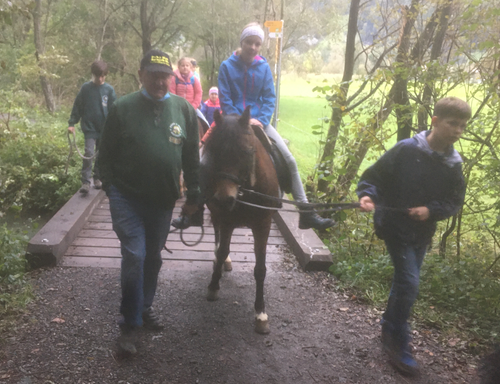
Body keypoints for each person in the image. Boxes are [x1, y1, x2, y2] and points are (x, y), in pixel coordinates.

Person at [172, 22, 335, 231]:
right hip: (231, 123)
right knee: (203, 160)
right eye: (250, 42)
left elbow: (269, 97)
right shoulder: (227, 66)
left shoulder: (264, 68)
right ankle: (194, 211)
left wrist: (261, 119)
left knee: (290, 160)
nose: (253, 47)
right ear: (242, 43)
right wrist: (239, 119)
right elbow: (225, 97)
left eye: (258, 43)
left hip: (259, 122)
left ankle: (306, 212)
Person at [357, 97, 470, 376]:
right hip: (394, 226)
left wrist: (430, 211)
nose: (457, 130)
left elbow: (455, 201)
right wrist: (368, 195)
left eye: (462, 126)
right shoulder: (407, 150)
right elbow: (374, 176)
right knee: (409, 283)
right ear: (434, 120)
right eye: (452, 123)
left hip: (422, 232)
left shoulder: (453, 164)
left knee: (404, 283)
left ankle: (387, 325)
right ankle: (399, 341)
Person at [98, 49, 200, 355]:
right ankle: (129, 326)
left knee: (153, 257)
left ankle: (143, 308)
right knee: (135, 255)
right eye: (153, 75)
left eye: (164, 75)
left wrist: (195, 194)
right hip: (126, 197)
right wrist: (110, 187)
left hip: (163, 200)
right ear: (141, 75)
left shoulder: (183, 110)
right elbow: (105, 155)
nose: (160, 81)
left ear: (171, 77)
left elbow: (191, 158)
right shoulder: (122, 107)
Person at [68, 60, 116, 194]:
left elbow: (114, 110)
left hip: (104, 129)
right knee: (89, 152)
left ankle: (97, 178)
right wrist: (72, 123)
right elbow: (77, 106)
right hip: (89, 127)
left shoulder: (109, 90)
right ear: (93, 75)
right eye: (97, 76)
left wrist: (115, 126)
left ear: (105, 75)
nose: (100, 79)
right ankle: (85, 181)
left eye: (102, 76)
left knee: (101, 155)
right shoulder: (86, 88)